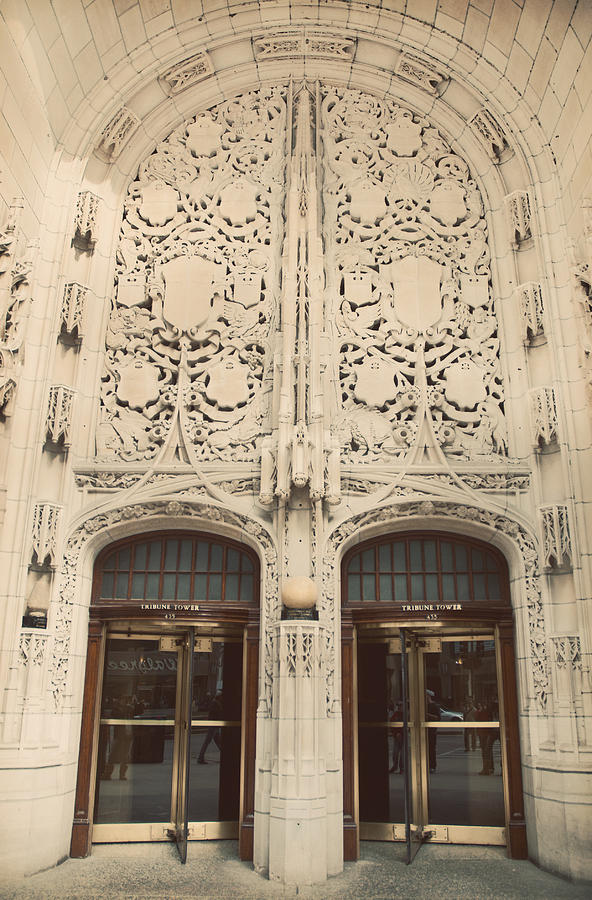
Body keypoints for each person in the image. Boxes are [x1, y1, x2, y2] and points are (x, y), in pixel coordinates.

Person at [197, 691, 223, 764]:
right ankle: (200, 758)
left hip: (214, 725)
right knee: (208, 742)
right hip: (214, 726)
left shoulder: (215, 703)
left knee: (218, 742)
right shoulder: (215, 703)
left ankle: (200, 757)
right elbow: (215, 714)